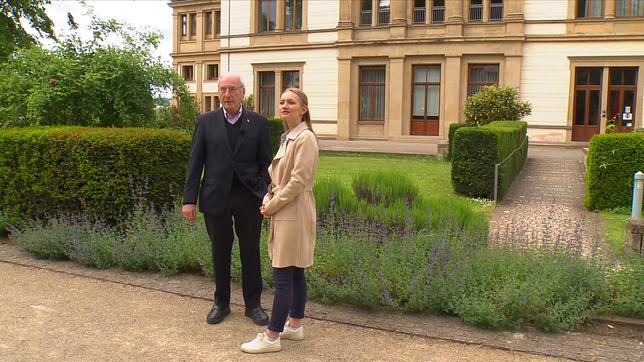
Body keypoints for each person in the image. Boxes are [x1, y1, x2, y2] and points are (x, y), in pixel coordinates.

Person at [182, 74, 272, 326]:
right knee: (219, 252)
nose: (227, 94)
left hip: (248, 198)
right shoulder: (205, 122)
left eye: (232, 89)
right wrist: (189, 200)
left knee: (250, 251)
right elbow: (195, 163)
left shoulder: (258, 123)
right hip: (215, 197)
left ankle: (253, 305)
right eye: (222, 89)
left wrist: (262, 188)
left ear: (243, 93)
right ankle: (221, 303)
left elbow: (267, 162)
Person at [241, 87, 319, 354]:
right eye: (282, 101)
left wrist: (272, 204)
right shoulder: (289, 137)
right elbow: (281, 178)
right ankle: (294, 326)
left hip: (293, 210)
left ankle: (272, 336)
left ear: (303, 108)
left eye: (291, 102)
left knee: (284, 272)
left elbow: (298, 181)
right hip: (289, 207)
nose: (284, 105)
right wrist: (267, 197)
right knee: (295, 270)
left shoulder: (305, 138)